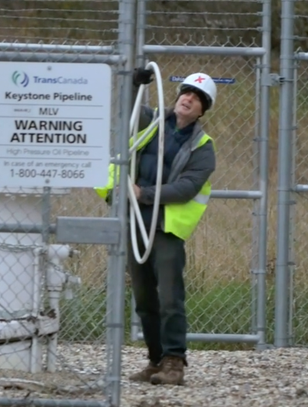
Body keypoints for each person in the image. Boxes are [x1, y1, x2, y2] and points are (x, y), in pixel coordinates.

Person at [95, 67, 218, 386]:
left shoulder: (203, 147)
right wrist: (136, 85)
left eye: (198, 97)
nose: (189, 98)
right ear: (177, 96)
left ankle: (174, 362)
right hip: (135, 221)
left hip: (164, 229)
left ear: (204, 109)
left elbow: (188, 187)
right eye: (186, 92)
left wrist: (143, 193)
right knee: (144, 298)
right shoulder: (150, 122)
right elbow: (127, 110)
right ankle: (155, 360)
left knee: (169, 297)